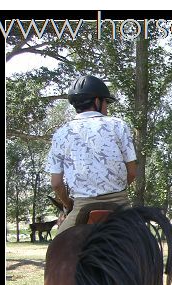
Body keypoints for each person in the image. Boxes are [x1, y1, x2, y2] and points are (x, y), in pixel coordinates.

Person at [45, 74, 137, 235]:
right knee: (148, 250)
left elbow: (56, 184)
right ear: (97, 101)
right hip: (120, 203)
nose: (106, 108)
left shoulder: (61, 134)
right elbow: (132, 172)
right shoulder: (118, 125)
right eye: (106, 102)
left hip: (81, 205)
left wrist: (69, 204)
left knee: (55, 251)